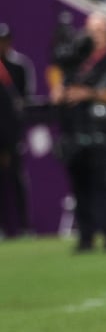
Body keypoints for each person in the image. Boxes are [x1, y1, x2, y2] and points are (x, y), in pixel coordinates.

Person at [51, 11, 106, 252]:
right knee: (78, 185)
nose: (95, 36)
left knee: (99, 184)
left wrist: (90, 94)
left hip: (102, 131)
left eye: (100, 30)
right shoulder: (73, 61)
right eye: (91, 30)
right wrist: (61, 94)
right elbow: (59, 86)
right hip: (74, 129)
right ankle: (85, 237)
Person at [0, 22, 35, 237]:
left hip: (13, 133)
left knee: (17, 179)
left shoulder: (20, 65)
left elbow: (25, 102)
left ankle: (24, 226)